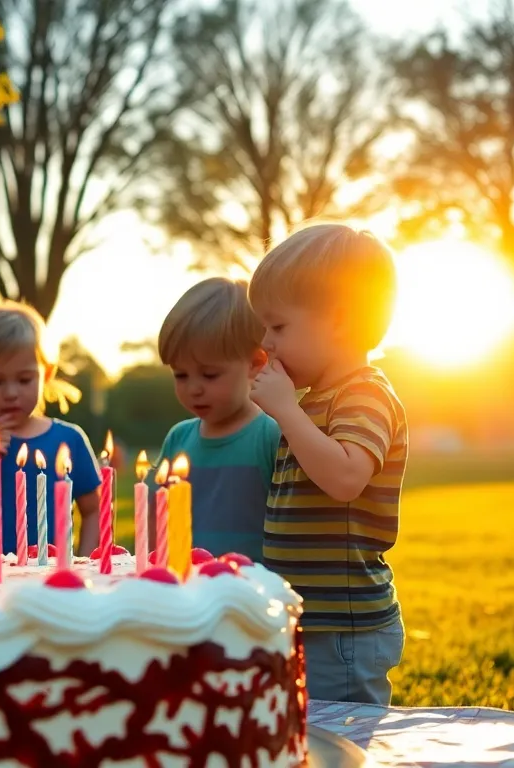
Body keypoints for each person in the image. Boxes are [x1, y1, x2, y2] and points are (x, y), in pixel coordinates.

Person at [248, 223, 409, 705]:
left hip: (345, 627)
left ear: (338, 320)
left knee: (343, 742)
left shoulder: (365, 394)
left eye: (278, 327)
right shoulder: (315, 400)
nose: (266, 343)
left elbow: (344, 478)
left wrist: (288, 412)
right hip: (310, 619)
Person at [0, 302, 102, 556]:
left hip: (49, 578)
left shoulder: (69, 439)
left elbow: (94, 510)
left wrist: (85, 561)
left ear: (46, 373)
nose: (11, 393)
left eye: (24, 380)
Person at [153, 277, 280, 563]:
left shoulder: (270, 435)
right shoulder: (178, 438)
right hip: (190, 596)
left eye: (209, 375)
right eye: (180, 375)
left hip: (253, 596)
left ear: (255, 363)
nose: (193, 388)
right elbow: (158, 520)